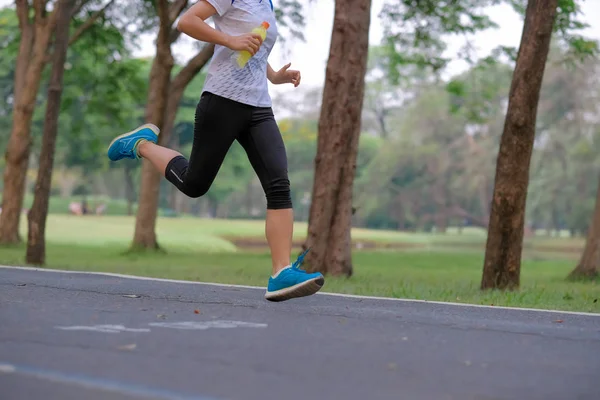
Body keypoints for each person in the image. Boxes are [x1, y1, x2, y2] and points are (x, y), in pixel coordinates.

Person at [107, 0, 324, 302]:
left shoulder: (267, 3)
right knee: (194, 184)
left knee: (278, 183)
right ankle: (142, 145)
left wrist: (274, 76)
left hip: (259, 107)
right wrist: (230, 40)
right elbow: (186, 21)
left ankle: (280, 273)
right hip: (222, 100)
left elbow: (253, 48)